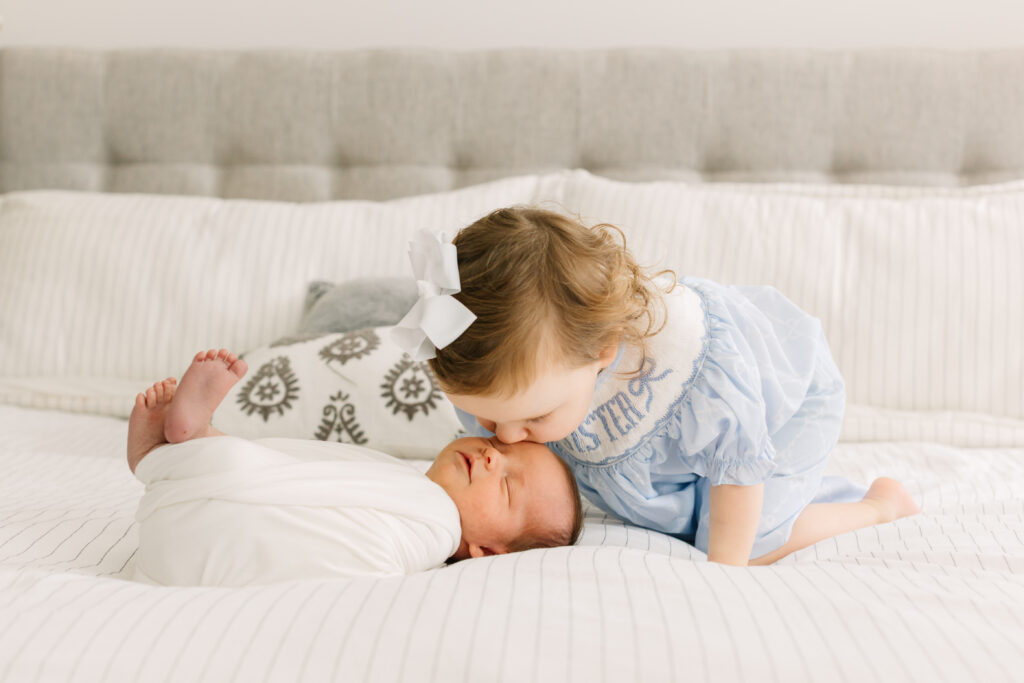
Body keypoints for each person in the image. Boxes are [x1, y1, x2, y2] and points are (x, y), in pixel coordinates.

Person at [393, 208, 920, 567]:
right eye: (487, 420)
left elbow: (735, 472)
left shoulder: (692, 371)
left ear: (602, 352)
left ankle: (878, 506)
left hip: (784, 401)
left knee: (744, 535)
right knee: (664, 510)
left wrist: (723, 574)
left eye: (532, 419)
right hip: (683, 431)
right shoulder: (522, 386)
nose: (506, 440)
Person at [127, 349, 583, 586]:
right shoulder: (399, 479)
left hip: (207, 542)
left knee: (247, 467)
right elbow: (307, 470)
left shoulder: (433, 528)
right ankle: (184, 447)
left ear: (485, 552)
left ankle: (181, 451)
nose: (491, 455)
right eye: (491, 443)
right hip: (179, 548)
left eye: (506, 483)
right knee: (267, 463)